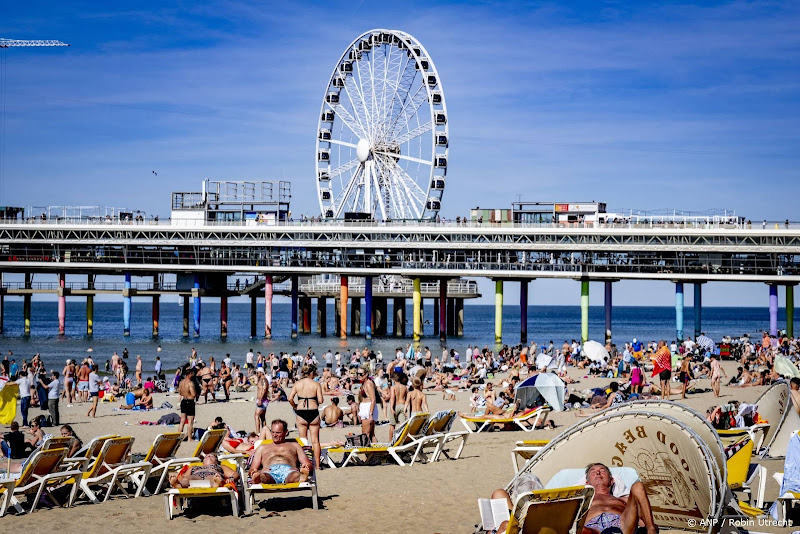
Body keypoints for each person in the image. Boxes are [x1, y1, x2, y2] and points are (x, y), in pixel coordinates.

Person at [582, 463, 658, 534]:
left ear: (612, 481)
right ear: (587, 483)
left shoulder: (624, 500)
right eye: (593, 472)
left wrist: (649, 525)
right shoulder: (581, 501)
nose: (598, 473)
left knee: (637, 486)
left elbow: (642, 522)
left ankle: (651, 530)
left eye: (602, 471)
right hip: (593, 529)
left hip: (623, 525)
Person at [248, 419, 311, 484]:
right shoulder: (262, 447)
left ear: (286, 432)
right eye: (272, 432)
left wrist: (304, 468)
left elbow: (308, 464)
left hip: (289, 471)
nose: (274, 435)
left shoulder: (295, 446)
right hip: (269, 472)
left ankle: (301, 476)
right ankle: (258, 478)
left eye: (278, 433)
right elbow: (252, 469)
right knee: (263, 476)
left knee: (294, 475)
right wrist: (258, 471)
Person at [288, 365, 324, 470]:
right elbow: (321, 400)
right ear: (312, 373)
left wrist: (295, 406)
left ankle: (305, 465)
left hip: (301, 412)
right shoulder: (316, 384)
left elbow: (290, 398)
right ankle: (317, 465)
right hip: (313, 412)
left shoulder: (297, 384)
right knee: (315, 441)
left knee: (303, 441)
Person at [171, 452, 239, 488]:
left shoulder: (220, 466)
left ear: (216, 461)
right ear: (203, 461)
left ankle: (216, 484)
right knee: (187, 478)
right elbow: (183, 477)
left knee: (213, 478)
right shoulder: (194, 467)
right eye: (206, 456)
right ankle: (179, 485)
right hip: (196, 476)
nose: (208, 456)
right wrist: (179, 480)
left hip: (212, 474)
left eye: (211, 456)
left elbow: (235, 474)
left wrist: (232, 478)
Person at [357, 368, 382, 443]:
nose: (359, 376)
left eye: (361, 374)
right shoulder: (364, 383)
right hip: (366, 407)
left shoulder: (368, 383)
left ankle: (367, 454)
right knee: (371, 434)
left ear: (366, 374)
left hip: (368, 408)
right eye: (358, 374)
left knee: (365, 434)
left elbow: (373, 399)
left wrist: (370, 414)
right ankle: (376, 452)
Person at [388, 372, 409, 440]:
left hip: (395, 406)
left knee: (392, 425)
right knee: (402, 425)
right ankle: (402, 439)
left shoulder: (393, 387)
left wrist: (391, 408)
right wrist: (406, 408)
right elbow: (407, 398)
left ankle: (390, 441)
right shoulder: (404, 387)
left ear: (394, 380)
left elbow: (392, 398)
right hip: (402, 405)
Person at [178, 368, 198, 440]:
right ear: (189, 374)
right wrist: (197, 393)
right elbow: (193, 394)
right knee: (190, 421)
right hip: (190, 401)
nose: (193, 375)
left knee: (182, 420)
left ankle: (179, 437)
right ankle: (189, 438)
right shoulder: (190, 383)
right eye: (192, 373)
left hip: (183, 401)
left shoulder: (181, 382)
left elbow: (180, 392)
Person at [254, 368, 269, 434]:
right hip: (262, 400)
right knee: (262, 417)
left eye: (258, 373)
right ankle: (264, 432)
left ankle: (258, 432)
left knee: (256, 416)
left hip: (262, 400)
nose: (257, 374)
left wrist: (260, 399)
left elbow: (264, 389)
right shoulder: (261, 380)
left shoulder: (264, 380)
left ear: (261, 372)